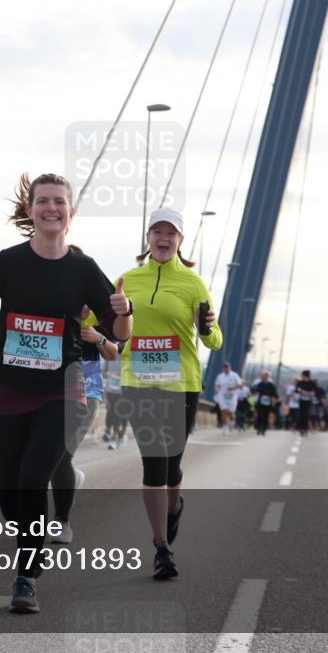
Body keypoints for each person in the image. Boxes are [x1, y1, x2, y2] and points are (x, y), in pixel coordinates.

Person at [0, 173, 132, 613]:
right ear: (31, 209)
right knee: (10, 496)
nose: (51, 208)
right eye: (43, 201)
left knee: (35, 477)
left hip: (63, 389)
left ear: (70, 213)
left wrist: (124, 312)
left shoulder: (83, 268)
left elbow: (118, 335)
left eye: (59, 202)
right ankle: (32, 538)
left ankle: (26, 576)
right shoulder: (9, 261)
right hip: (10, 387)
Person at [118, 208, 222, 580]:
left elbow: (214, 339)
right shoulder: (127, 280)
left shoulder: (193, 284)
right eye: (157, 231)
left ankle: (174, 507)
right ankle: (162, 547)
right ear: (147, 238)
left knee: (172, 466)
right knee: (153, 464)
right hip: (138, 382)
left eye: (171, 233)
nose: (163, 238)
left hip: (182, 385)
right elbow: (103, 324)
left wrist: (208, 327)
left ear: (180, 240)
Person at [49, 303, 119, 544]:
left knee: (60, 457)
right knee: (44, 457)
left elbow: (112, 353)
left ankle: (62, 521)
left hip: (87, 394)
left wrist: (98, 338)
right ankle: (71, 479)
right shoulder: (58, 310)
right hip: (52, 391)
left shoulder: (99, 318)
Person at [102, 352, 128, 449]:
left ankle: (118, 436)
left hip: (124, 391)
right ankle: (110, 434)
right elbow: (104, 371)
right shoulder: (110, 353)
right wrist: (108, 375)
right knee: (111, 412)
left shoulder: (128, 354)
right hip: (111, 390)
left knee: (122, 414)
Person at [214, 363, 242, 434]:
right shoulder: (220, 376)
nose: (226, 368)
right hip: (222, 396)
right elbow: (217, 385)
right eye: (225, 367)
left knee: (230, 413)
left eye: (227, 367)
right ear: (223, 368)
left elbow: (240, 385)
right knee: (224, 411)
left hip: (232, 397)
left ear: (230, 368)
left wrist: (232, 388)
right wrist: (216, 389)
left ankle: (232, 421)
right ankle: (225, 428)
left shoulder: (235, 375)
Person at [251, 371, 279, 435]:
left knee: (266, 416)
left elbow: (275, 393)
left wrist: (276, 398)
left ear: (268, 377)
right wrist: (254, 393)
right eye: (264, 376)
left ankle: (264, 429)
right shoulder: (259, 384)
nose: (265, 377)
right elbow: (253, 390)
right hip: (260, 402)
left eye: (267, 376)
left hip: (268, 403)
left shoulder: (271, 384)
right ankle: (258, 428)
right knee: (260, 415)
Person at [295, 370, 317, 437]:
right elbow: (297, 390)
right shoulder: (300, 382)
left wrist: (309, 393)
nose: (302, 376)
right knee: (302, 414)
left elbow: (315, 391)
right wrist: (302, 391)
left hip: (308, 400)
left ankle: (305, 429)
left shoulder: (312, 383)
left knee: (306, 415)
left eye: (302, 375)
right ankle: (301, 429)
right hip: (302, 400)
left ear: (305, 375)